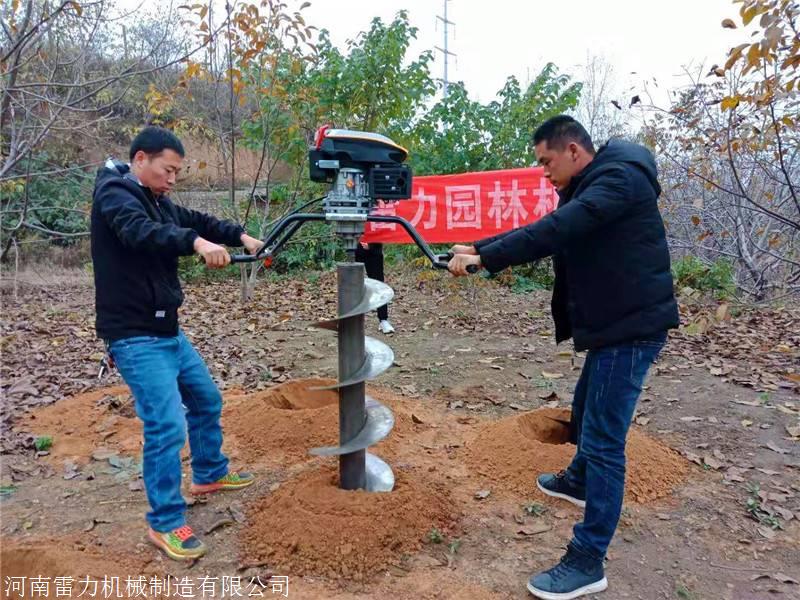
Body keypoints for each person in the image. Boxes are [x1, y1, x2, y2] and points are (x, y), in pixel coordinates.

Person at [448, 115, 679, 599]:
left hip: (630, 329)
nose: (543, 172)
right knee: (583, 405)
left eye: (546, 161)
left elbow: (557, 230)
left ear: (573, 151)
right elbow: (545, 227)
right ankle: (577, 479)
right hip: (616, 323)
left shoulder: (618, 182)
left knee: (604, 442)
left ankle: (587, 560)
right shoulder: (594, 182)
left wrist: (487, 259)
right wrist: (480, 247)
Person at [90, 126, 264, 561]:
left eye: (176, 174)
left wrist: (239, 235)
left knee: (205, 400)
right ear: (141, 159)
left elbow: (194, 221)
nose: (171, 180)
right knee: (167, 425)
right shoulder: (114, 197)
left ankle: (208, 473)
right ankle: (165, 521)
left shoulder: (157, 200)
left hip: (168, 330)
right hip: (133, 336)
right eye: (167, 170)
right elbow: (142, 234)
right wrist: (195, 244)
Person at [355, 241, 395, 334]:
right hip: (354, 249)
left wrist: (371, 246)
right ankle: (351, 321)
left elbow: (382, 228)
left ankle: (383, 320)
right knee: (353, 285)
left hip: (374, 249)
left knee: (379, 285)